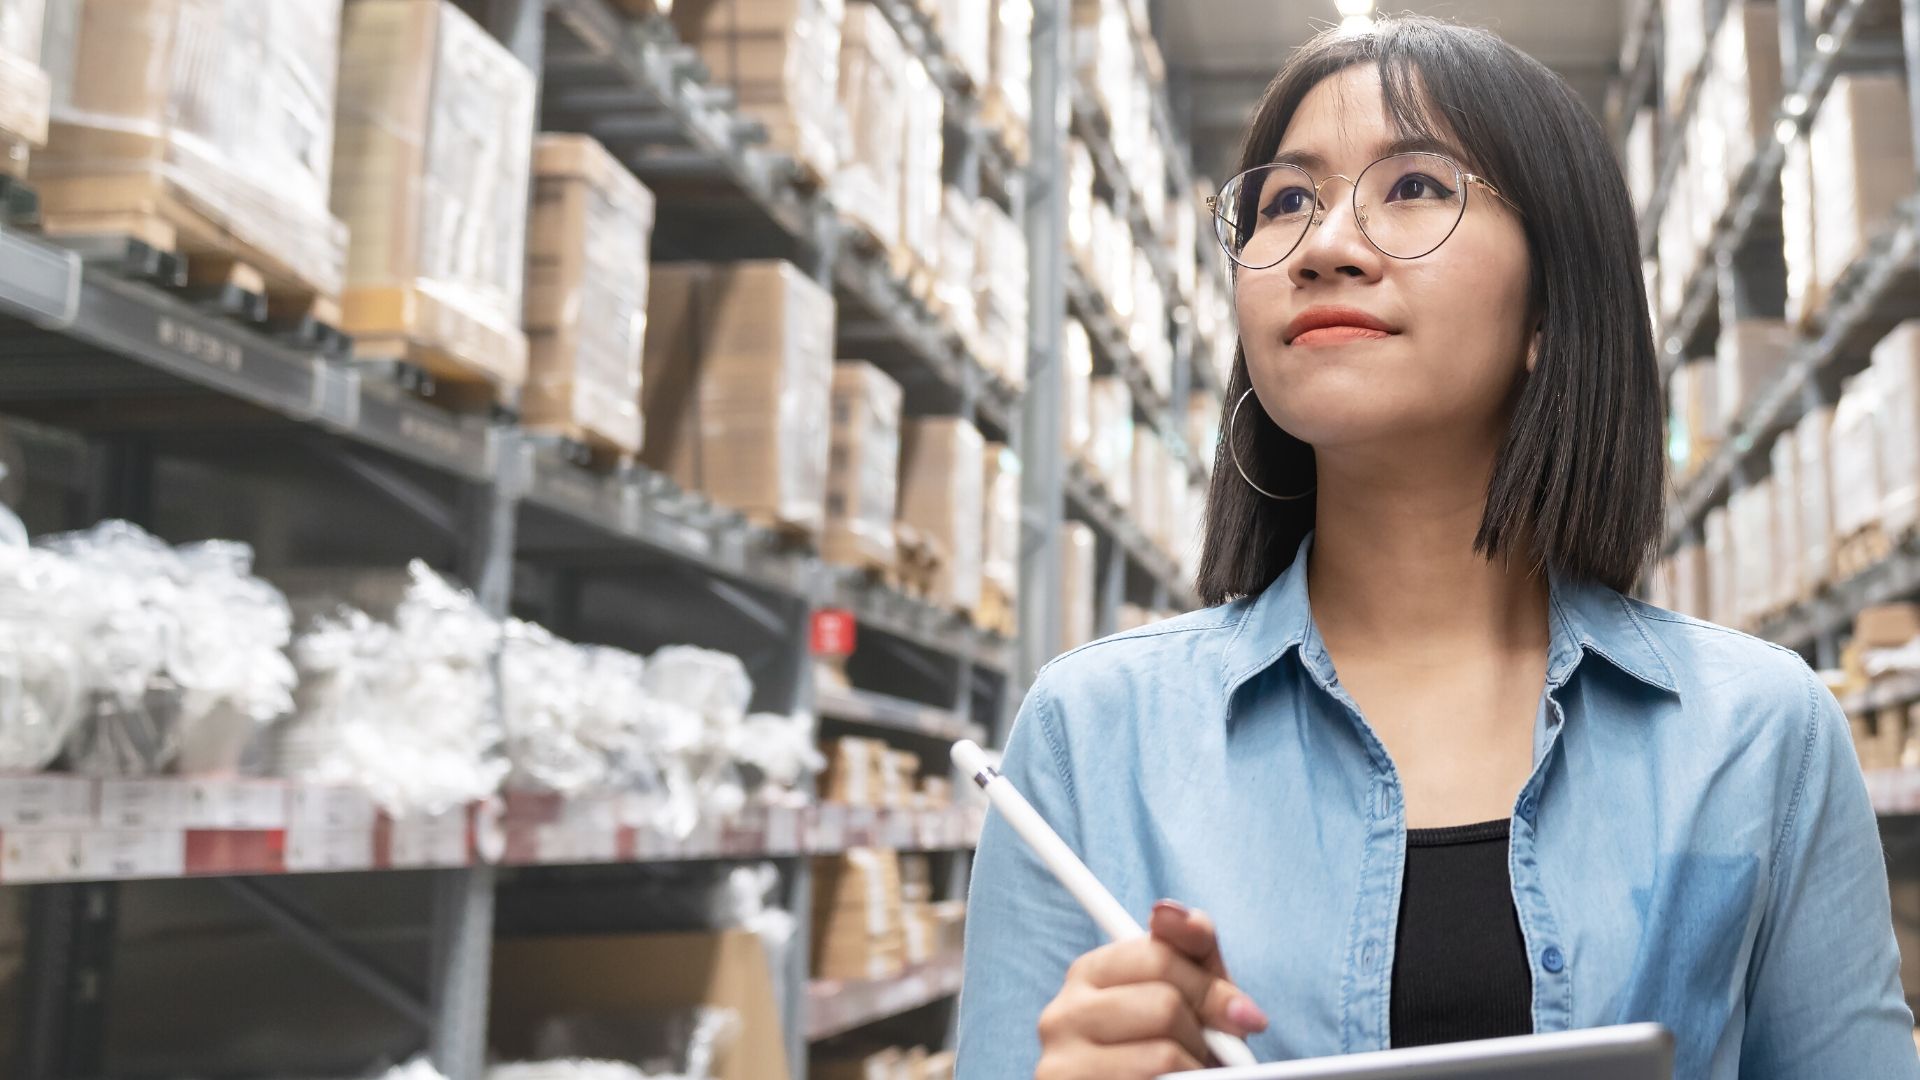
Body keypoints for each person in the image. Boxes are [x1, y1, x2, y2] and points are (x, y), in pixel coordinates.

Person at [956, 14, 1920, 1080]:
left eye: (1413, 185)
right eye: (1286, 201)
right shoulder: (1091, 743)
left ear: (1549, 304)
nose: (1323, 245)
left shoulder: (1758, 735)